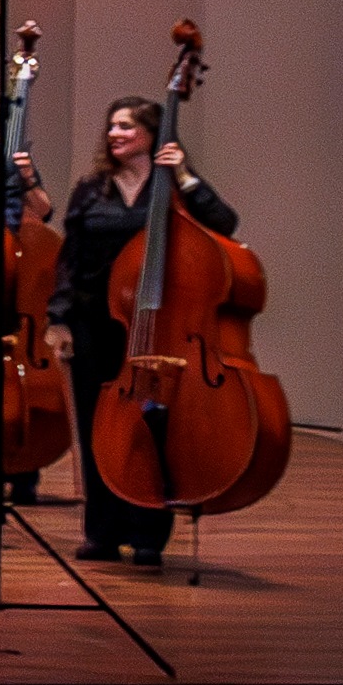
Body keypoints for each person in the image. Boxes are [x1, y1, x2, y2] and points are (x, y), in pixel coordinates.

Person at [56, 91, 243, 565]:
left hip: (159, 325)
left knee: (152, 425)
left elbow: (225, 224)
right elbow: (69, 257)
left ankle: (148, 534)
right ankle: (100, 531)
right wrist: (57, 319)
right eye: (112, 126)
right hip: (95, 321)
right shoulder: (92, 188)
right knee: (98, 427)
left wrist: (184, 175)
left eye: (126, 126)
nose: (115, 134)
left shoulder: (177, 190)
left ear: (153, 134)